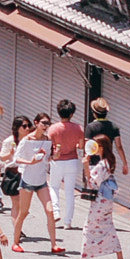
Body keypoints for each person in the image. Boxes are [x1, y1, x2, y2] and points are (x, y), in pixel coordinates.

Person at [69, 136, 126, 259]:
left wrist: (85, 166)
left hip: (100, 200)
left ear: (100, 147)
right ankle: (119, 258)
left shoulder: (101, 165)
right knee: (108, 227)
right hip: (107, 200)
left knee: (89, 228)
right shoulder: (108, 162)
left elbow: (93, 183)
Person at [11, 113, 63, 255]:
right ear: (37, 123)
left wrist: (54, 156)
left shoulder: (47, 140)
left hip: (41, 181)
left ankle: (54, 244)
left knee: (50, 211)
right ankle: (15, 242)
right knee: (23, 212)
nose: (46, 126)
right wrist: (30, 162)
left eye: (48, 124)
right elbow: (16, 158)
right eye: (43, 123)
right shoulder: (27, 140)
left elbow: (46, 159)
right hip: (27, 180)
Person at [47, 99, 86, 236]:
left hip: (57, 161)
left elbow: (48, 146)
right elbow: (81, 146)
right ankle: (68, 222)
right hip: (72, 160)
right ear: (72, 114)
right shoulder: (79, 128)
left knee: (54, 187)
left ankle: (56, 211)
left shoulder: (53, 128)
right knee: (70, 191)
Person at [86, 98, 129, 177]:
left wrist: (86, 164)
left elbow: (88, 147)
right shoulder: (113, 127)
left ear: (94, 113)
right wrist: (125, 163)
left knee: (94, 186)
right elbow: (119, 146)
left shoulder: (90, 127)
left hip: (93, 163)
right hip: (108, 163)